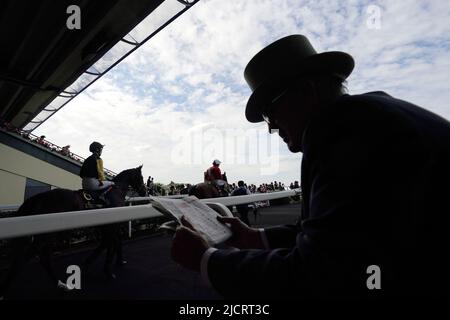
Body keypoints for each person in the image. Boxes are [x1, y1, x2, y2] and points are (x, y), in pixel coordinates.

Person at [171, 34, 450, 298]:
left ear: (307, 92)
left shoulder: (341, 131)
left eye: (270, 112)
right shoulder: (368, 117)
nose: (271, 127)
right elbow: (334, 232)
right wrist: (256, 237)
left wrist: (207, 259)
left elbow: (318, 276)